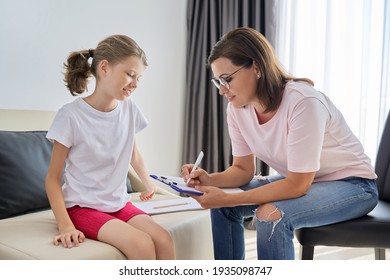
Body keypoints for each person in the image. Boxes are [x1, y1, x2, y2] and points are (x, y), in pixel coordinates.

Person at [181, 27, 378, 260]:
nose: (223, 90)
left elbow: (297, 185)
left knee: (270, 215)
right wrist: (211, 180)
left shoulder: (303, 102)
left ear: (256, 68)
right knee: (223, 205)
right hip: (306, 181)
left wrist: (230, 197)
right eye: (218, 82)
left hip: (354, 186)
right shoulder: (237, 109)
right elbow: (243, 170)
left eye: (227, 79)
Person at [45, 35, 175, 260]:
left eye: (139, 77)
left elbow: (133, 153)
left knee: (163, 239)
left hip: (118, 204)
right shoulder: (70, 115)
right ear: (104, 67)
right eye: (130, 74)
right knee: (141, 244)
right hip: (82, 207)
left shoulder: (129, 109)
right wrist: (65, 225)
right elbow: (53, 179)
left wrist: (148, 183)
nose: (135, 83)